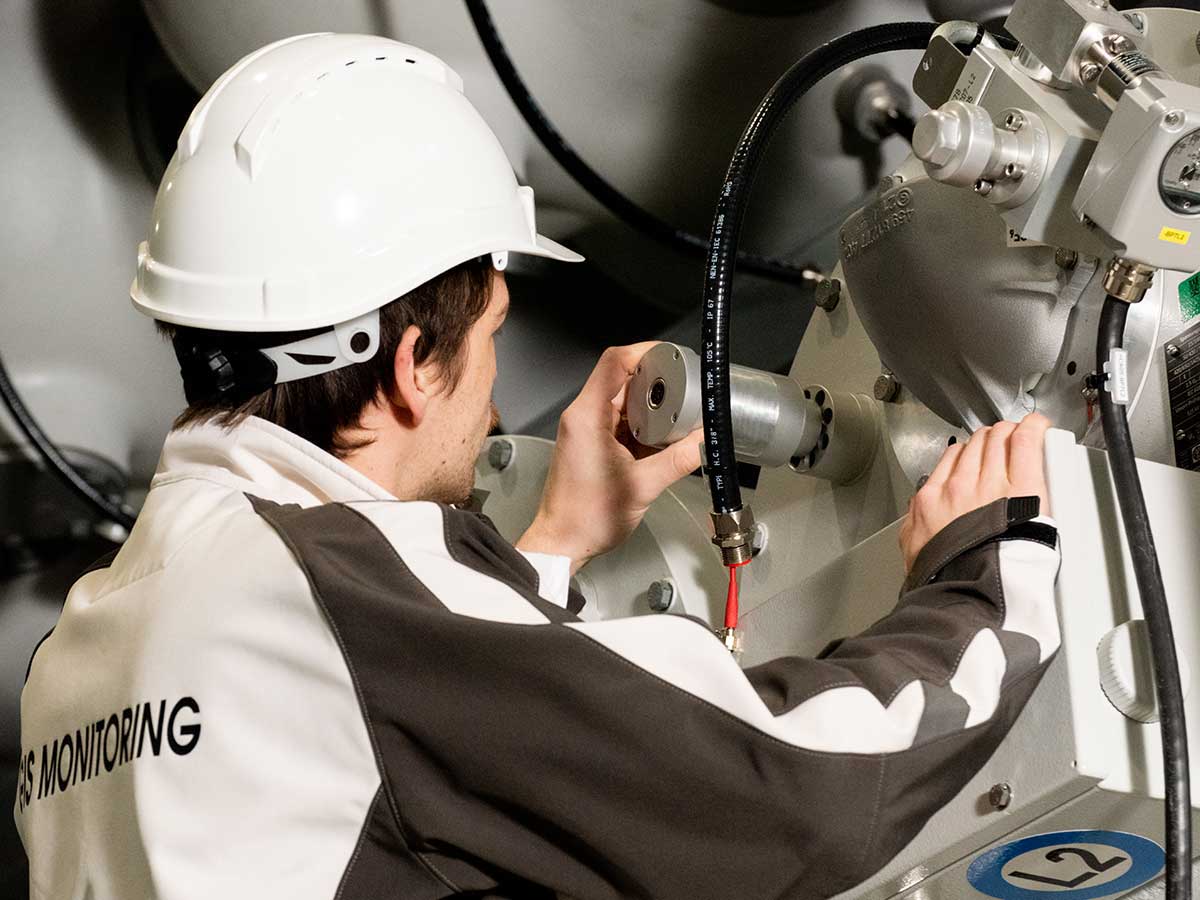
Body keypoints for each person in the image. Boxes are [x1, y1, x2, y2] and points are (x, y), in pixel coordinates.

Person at [15, 34, 1060, 900]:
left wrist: (551, 547)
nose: (494, 399)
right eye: (490, 341)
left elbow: (377, 791)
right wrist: (983, 584)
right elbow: (802, 793)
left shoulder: (76, 661)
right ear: (415, 367)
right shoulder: (331, 590)